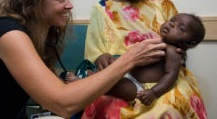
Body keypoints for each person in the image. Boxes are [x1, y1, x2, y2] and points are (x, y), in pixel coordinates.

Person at [0, 0, 167, 119]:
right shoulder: (8, 34)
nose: (69, 5)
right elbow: (63, 104)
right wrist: (130, 59)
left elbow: (56, 91)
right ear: (34, 1)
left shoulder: (34, 36)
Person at [81, 0, 207, 119]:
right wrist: (101, 57)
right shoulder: (101, 8)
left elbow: (182, 42)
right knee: (107, 102)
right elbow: (94, 49)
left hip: (162, 77)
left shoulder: (163, 4)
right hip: (121, 74)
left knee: (169, 106)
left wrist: (180, 54)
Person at [65, 13, 205, 104]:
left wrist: (154, 92)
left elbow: (171, 76)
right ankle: (90, 79)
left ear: (188, 43)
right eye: (172, 20)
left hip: (139, 85)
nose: (171, 24)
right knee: (111, 66)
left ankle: (83, 83)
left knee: (120, 86)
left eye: (180, 27)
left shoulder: (174, 52)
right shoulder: (159, 41)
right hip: (127, 71)